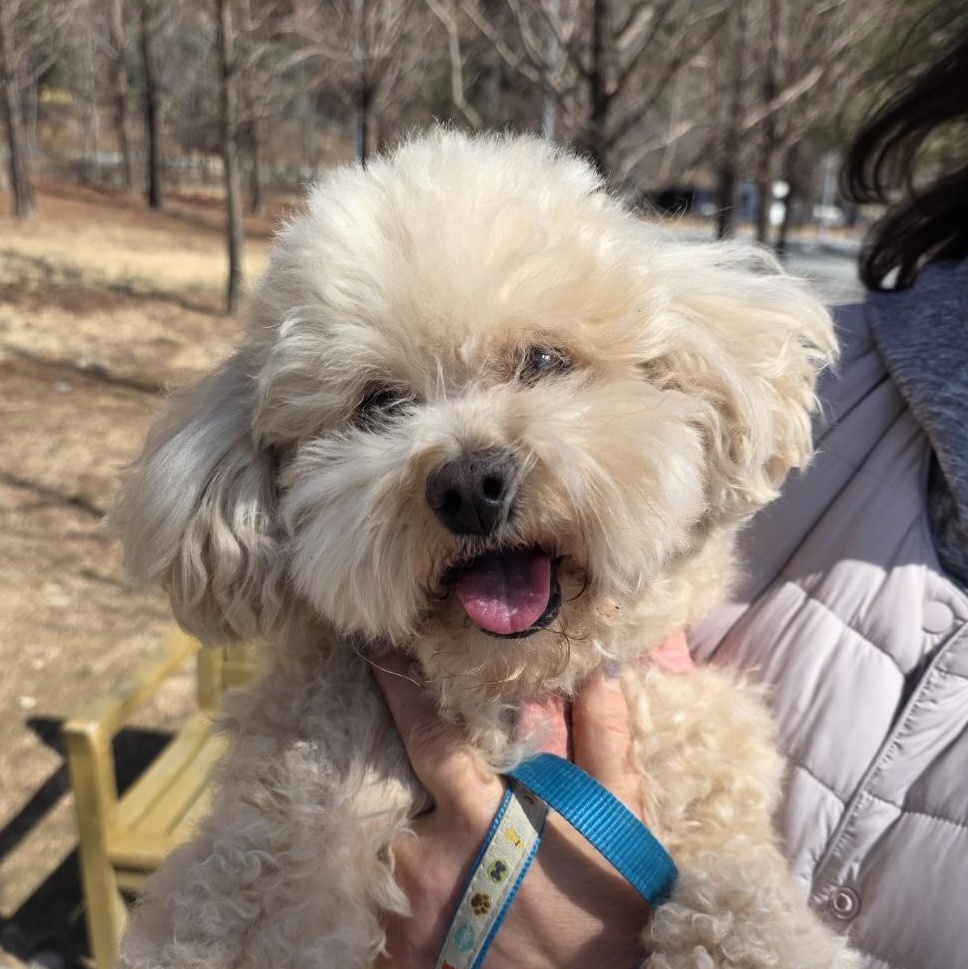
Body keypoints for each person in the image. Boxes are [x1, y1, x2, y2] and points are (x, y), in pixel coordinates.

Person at [374, 23, 968, 969]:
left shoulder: (733, 392)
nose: (474, 463)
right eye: (383, 404)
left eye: (542, 363)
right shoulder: (827, 389)